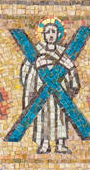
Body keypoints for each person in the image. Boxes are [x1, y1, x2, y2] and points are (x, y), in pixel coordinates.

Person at [20, 19, 80, 154]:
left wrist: (71, 69)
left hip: (60, 89)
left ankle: (60, 143)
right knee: (43, 115)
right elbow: (25, 70)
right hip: (42, 89)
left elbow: (72, 70)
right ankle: (44, 143)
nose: (51, 35)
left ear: (58, 34)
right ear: (44, 35)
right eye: (47, 32)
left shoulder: (63, 51)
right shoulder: (37, 51)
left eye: (53, 31)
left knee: (61, 115)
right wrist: (36, 68)